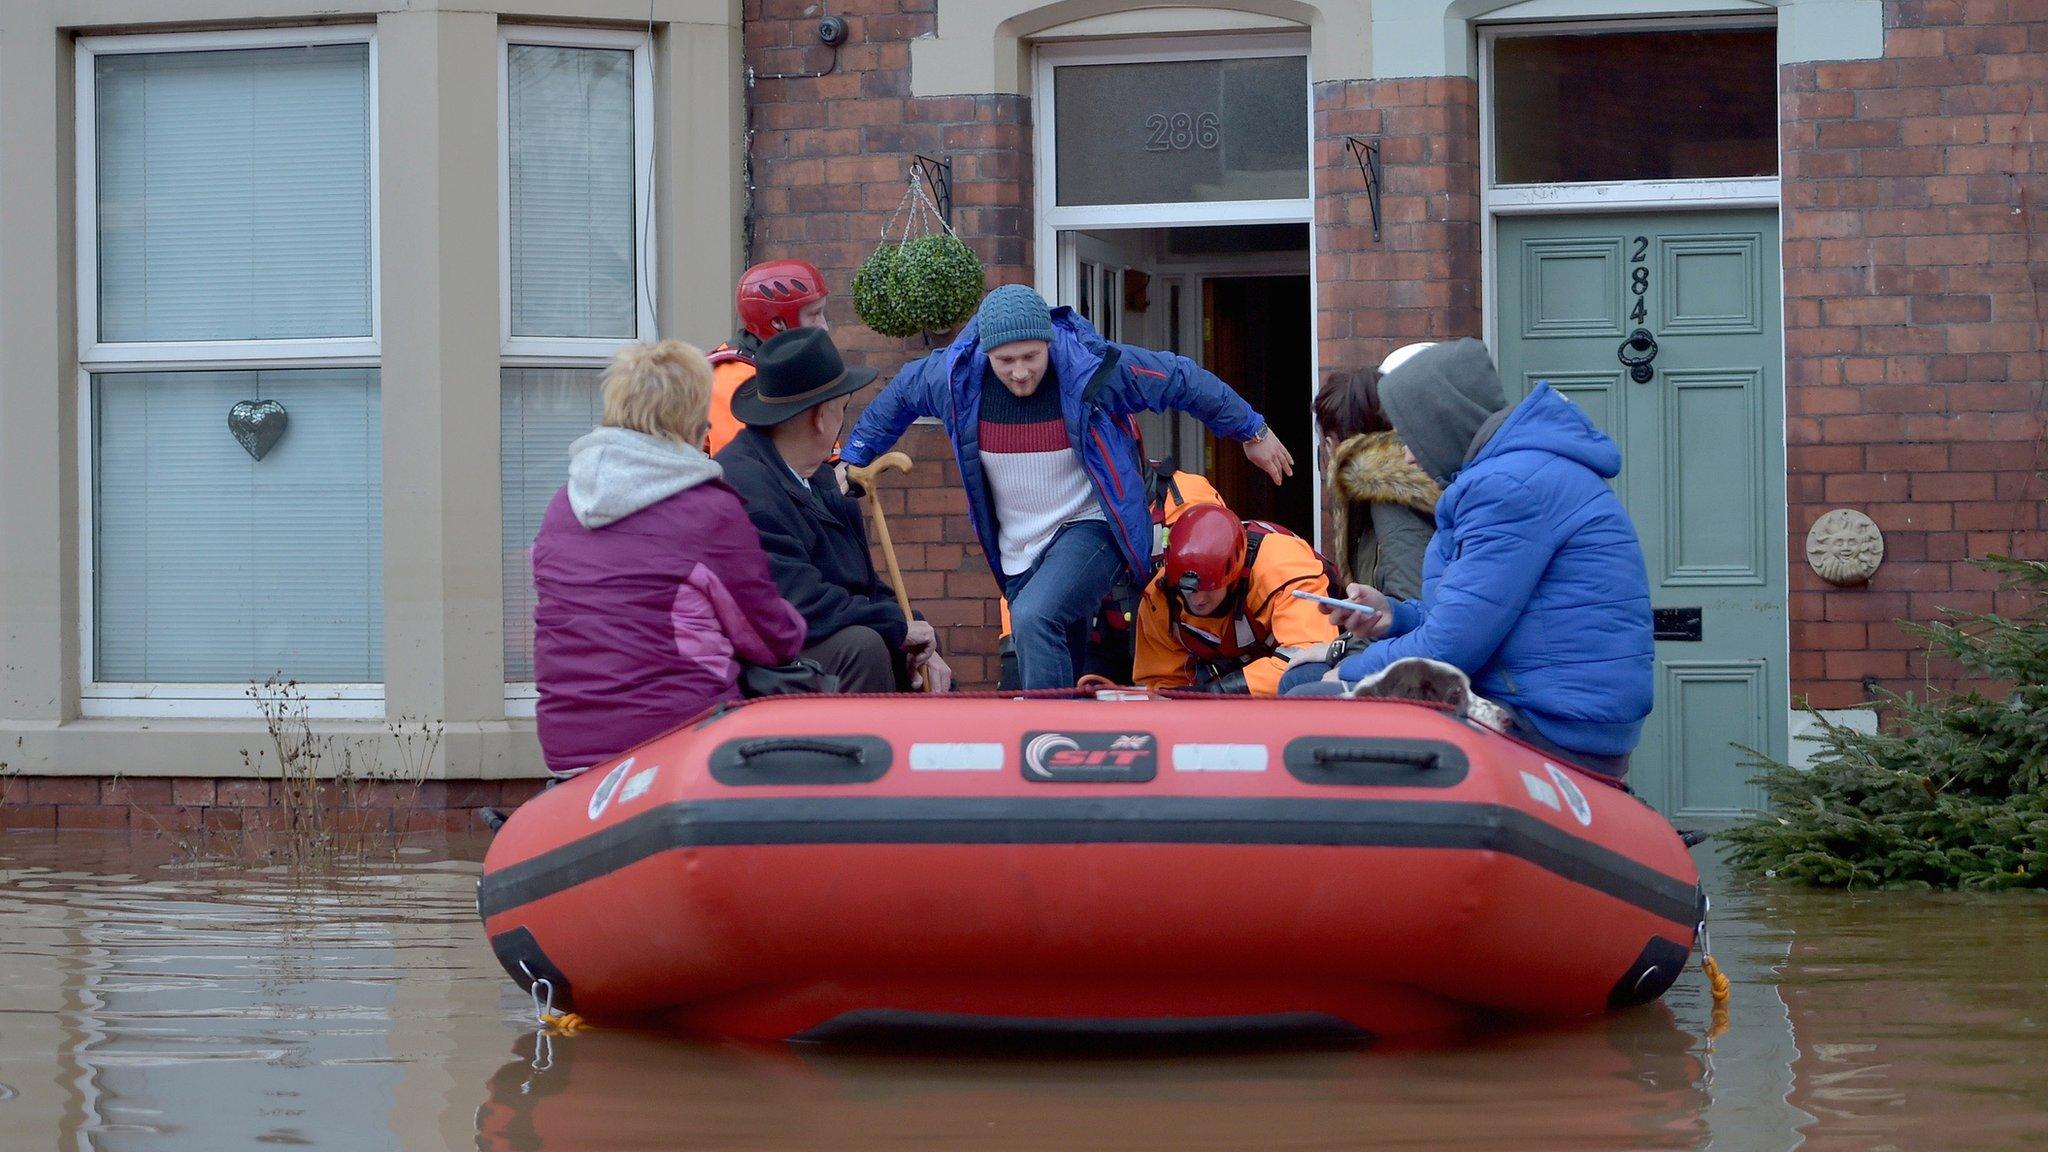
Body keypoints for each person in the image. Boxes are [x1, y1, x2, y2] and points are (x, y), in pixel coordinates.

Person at [840, 283, 1295, 690]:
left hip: (1091, 524)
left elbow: (1180, 378)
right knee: (1060, 641)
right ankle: (1073, 747)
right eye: (1006, 361)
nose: (1019, 372)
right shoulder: (953, 378)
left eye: (1030, 357)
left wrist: (1252, 433)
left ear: (1049, 343)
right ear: (986, 352)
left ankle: (1046, 742)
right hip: (1019, 542)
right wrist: (853, 458)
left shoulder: (1091, 369)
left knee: (1035, 618)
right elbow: (898, 396)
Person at [1295, 338, 1654, 779]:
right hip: (1565, 709)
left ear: (1443, 422)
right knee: (1313, 690)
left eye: (1411, 437)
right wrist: (1397, 617)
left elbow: (1450, 649)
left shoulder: (1507, 487)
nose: (1407, 454)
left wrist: (1350, 668)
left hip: (1548, 723)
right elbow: (1472, 615)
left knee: (1304, 699)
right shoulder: (1518, 473)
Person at [532, 340, 807, 776]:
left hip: (570, 747)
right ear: (695, 419)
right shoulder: (708, 510)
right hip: (676, 738)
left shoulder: (563, 506)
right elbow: (769, 638)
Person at [716, 327, 953, 694]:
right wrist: (895, 628)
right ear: (820, 418)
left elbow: (866, 588)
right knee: (864, 647)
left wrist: (916, 631)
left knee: (918, 654)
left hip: (811, 638)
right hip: (763, 662)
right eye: (842, 409)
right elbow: (800, 602)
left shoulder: (824, 480)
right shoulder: (745, 485)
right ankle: (866, 752)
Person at [1132, 502, 1339, 696]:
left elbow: (1310, 656)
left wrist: (1218, 693)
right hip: (1230, 676)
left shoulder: (1280, 564)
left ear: (1233, 576)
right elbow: (1162, 688)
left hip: (1319, 676)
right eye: (1188, 589)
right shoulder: (1161, 598)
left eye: (1210, 588)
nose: (1198, 599)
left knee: (1308, 676)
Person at [1318, 344, 1441, 601]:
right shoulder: (1392, 488)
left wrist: (1342, 643)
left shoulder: (1388, 497)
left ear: (1331, 444)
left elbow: (1411, 606)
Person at [706, 260, 832, 456]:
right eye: (814, 314)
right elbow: (738, 471)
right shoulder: (733, 382)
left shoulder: (784, 364)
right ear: (778, 323)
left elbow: (824, 450)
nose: (824, 326)